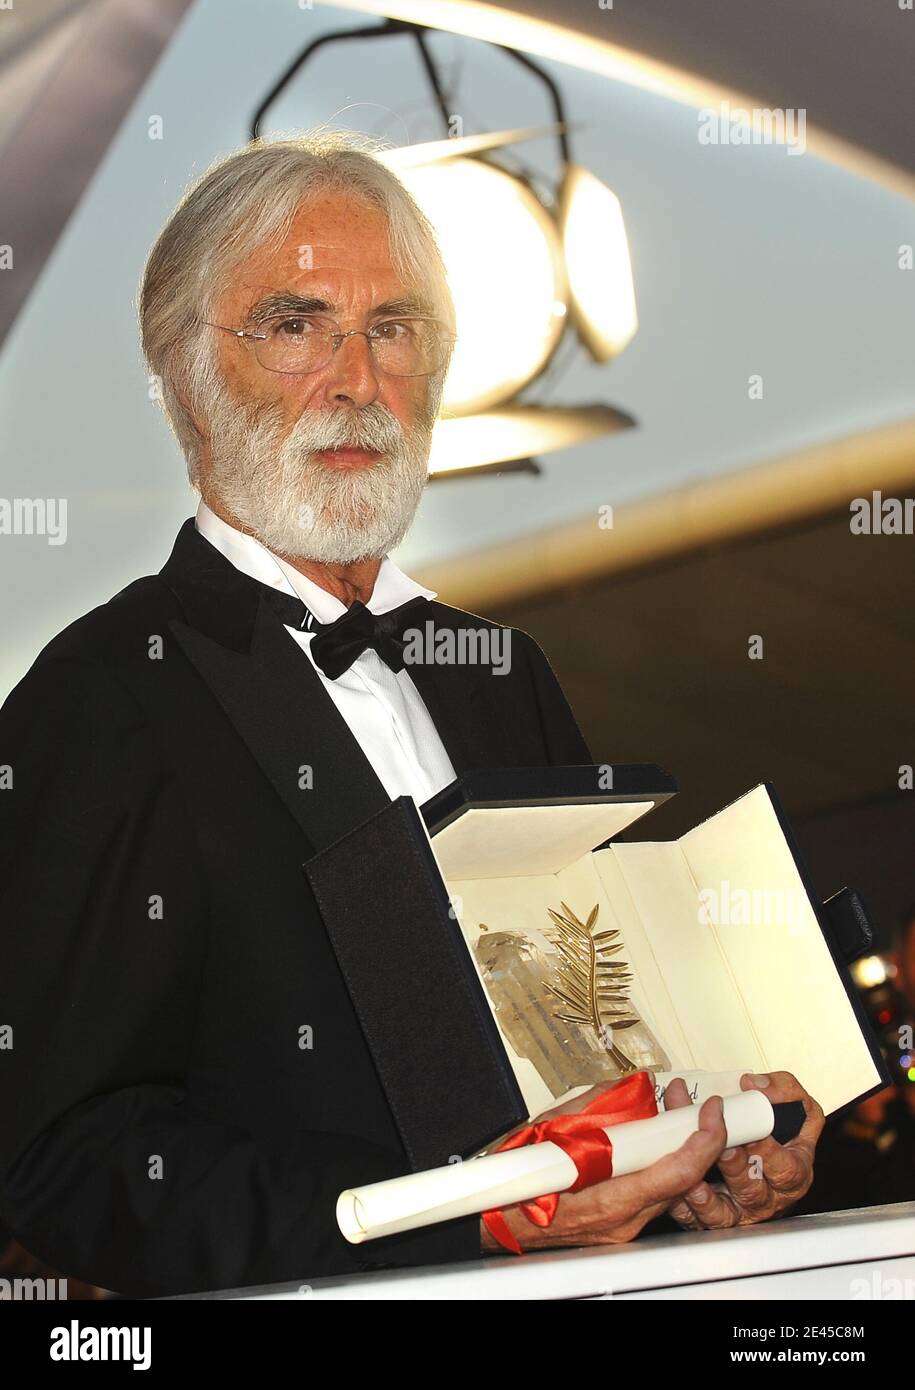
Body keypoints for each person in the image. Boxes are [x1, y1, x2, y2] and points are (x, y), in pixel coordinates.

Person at [0, 131, 823, 1297]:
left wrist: (697, 1155)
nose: (356, 379)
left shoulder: (504, 673)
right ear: (185, 374)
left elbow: (596, 1031)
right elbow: (64, 1153)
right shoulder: (100, 699)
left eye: (394, 328)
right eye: (295, 325)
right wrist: (455, 1225)